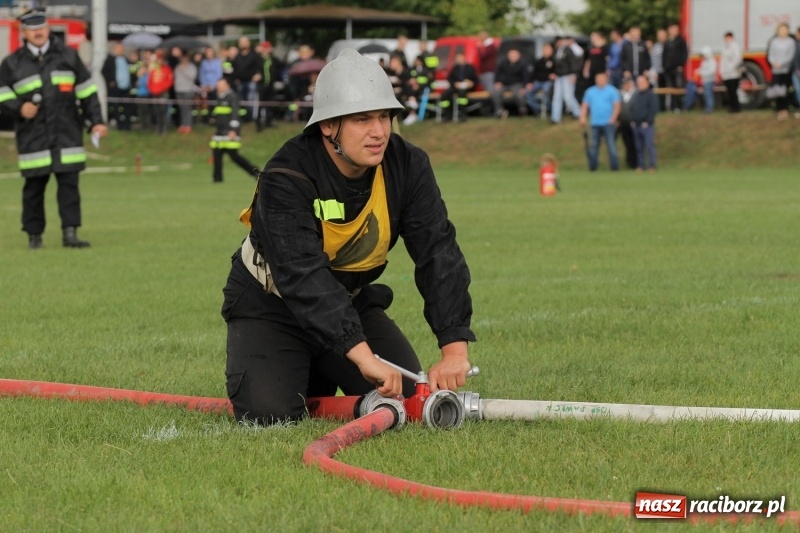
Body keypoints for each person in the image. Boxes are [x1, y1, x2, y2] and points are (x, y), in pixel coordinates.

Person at [221, 48, 476, 426]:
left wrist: (454, 348)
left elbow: (438, 252)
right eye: (361, 119)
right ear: (327, 126)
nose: (379, 132)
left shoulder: (408, 165)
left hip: (350, 302)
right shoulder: (285, 176)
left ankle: (322, 367)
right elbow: (301, 274)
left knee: (408, 404)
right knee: (271, 416)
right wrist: (360, 354)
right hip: (273, 306)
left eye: (385, 116)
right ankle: (306, 370)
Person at [0, 8, 107, 249]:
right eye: (33, 29)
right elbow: (1, 94)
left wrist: (98, 121)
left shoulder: (68, 56)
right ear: (24, 33)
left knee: (69, 187)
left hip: (66, 134)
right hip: (33, 137)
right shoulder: (11, 63)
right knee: (33, 190)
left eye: (42, 28)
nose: (38, 32)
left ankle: (71, 233)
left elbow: (88, 92)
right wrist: (18, 108)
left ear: (48, 29)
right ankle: (34, 236)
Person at [209, 77, 258, 183]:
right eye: (218, 85)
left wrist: (233, 130)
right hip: (220, 132)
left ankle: (255, 172)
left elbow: (235, 115)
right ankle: (217, 179)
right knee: (217, 155)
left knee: (235, 156)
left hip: (229, 132)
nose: (219, 87)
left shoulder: (232, 97)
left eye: (221, 85)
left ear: (227, 85)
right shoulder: (219, 97)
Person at [579, 72, 620, 171]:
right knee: (593, 146)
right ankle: (593, 167)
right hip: (595, 123)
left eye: (602, 78)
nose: (600, 80)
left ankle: (614, 167)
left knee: (611, 145)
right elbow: (585, 105)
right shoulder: (590, 91)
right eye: (598, 78)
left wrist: (613, 118)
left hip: (608, 123)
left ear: (606, 79)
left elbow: (617, 106)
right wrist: (582, 117)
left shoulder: (612, 91)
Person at [766, 22, 796, 121]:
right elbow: (770, 54)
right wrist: (773, 63)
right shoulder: (774, 41)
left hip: (785, 69)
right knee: (777, 90)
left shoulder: (791, 42)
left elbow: (790, 55)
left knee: (785, 90)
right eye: (781, 30)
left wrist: (781, 63)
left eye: (785, 30)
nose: (783, 31)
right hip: (776, 70)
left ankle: (785, 109)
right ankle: (779, 109)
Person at [550, 36, 583, 124]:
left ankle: (578, 113)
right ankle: (555, 118)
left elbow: (574, 62)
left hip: (567, 75)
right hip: (559, 76)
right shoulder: (557, 51)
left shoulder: (568, 50)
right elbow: (556, 64)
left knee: (568, 96)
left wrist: (574, 73)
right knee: (557, 97)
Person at [101, 42, 133, 130]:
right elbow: (103, 71)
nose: (121, 50)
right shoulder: (110, 59)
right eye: (119, 49)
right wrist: (110, 81)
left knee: (128, 106)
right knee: (116, 107)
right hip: (115, 87)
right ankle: (120, 125)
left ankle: (127, 125)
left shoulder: (125, 59)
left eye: (122, 49)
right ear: (115, 49)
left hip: (126, 87)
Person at [491, 47, 530, 119]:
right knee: (495, 93)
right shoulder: (503, 62)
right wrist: (497, 82)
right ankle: (500, 111)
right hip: (504, 83)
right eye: (511, 55)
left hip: (516, 83)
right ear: (508, 55)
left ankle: (522, 109)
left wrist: (524, 86)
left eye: (515, 55)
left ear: (519, 55)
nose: (513, 57)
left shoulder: (523, 64)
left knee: (518, 93)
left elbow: (526, 76)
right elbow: (497, 73)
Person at [630, 75, 658, 172]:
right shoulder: (636, 95)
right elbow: (632, 108)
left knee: (649, 145)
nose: (640, 84)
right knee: (639, 147)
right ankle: (641, 165)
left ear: (647, 82)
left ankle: (652, 165)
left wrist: (648, 121)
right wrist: (632, 120)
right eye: (638, 82)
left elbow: (653, 109)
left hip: (647, 125)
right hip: (636, 125)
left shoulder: (650, 95)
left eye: (642, 82)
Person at [232, 37, 263, 122]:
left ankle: (252, 118)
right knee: (241, 101)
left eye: (244, 42)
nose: (243, 44)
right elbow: (234, 68)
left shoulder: (255, 55)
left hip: (251, 82)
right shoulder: (237, 56)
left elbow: (260, 67)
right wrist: (236, 78)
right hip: (240, 82)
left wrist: (258, 75)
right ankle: (243, 117)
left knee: (251, 100)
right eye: (241, 42)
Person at [440, 51, 478, 121]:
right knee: (444, 95)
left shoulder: (470, 67)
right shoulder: (455, 68)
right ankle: (447, 114)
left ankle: (463, 114)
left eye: (459, 58)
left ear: (464, 58)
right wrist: (455, 83)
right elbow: (450, 79)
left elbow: (476, 79)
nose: (458, 60)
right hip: (456, 87)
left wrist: (471, 83)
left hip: (466, 87)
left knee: (462, 94)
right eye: (457, 58)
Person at [255, 41, 284, 130]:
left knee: (269, 103)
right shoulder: (258, 59)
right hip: (261, 84)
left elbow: (281, 66)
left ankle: (269, 120)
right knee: (260, 104)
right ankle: (258, 123)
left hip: (270, 84)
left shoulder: (273, 59)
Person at [662, 22, 688, 112]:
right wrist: (664, 66)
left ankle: (680, 106)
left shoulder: (681, 40)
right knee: (671, 88)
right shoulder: (667, 42)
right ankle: (673, 106)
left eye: (675, 29)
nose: (674, 31)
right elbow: (664, 55)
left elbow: (684, 54)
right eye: (672, 29)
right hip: (668, 69)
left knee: (678, 87)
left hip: (677, 68)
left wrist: (681, 65)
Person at [524, 42, 555, 117]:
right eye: (545, 49)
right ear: (542, 50)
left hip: (548, 82)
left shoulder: (555, 61)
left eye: (549, 49)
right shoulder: (538, 61)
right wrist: (530, 83)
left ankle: (550, 109)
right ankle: (538, 109)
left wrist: (554, 75)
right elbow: (533, 73)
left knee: (546, 90)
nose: (547, 51)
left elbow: (557, 72)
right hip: (538, 82)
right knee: (528, 92)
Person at [173, 50, 197, 133]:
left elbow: (192, 77)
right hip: (179, 89)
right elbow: (175, 77)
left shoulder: (191, 67)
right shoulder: (177, 66)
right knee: (182, 108)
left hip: (188, 90)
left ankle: (188, 125)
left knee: (187, 109)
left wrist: (184, 71)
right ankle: (183, 124)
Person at [616, 76, 637, 170]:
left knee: (635, 143)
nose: (626, 85)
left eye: (628, 83)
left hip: (634, 122)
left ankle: (635, 163)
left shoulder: (636, 93)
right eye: (624, 84)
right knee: (627, 143)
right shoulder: (619, 94)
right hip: (623, 122)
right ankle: (629, 162)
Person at [719, 32, 743, 113]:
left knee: (733, 91)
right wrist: (722, 71)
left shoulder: (735, 46)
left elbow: (737, 59)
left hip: (734, 73)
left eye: (729, 38)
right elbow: (723, 60)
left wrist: (731, 68)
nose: (727, 39)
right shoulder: (725, 47)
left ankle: (736, 107)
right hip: (727, 73)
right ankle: (732, 106)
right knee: (729, 91)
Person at [696, 46, 717, 113]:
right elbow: (702, 68)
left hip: (710, 80)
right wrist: (698, 71)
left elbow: (712, 71)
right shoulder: (704, 61)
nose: (702, 57)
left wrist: (702, 73)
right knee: (706, 94)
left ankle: (710, 108)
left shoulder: (712, 61)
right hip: (705, 80)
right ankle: (707, 107)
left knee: (708, 94)